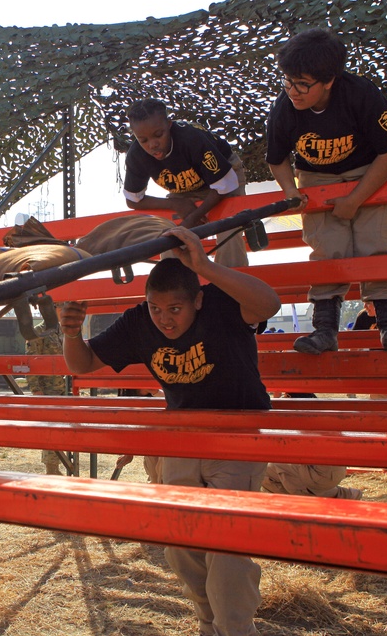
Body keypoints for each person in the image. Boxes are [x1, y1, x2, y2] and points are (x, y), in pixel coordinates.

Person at [60, 226, 280, 636]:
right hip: (181, 435)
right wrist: (72, 333)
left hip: (238, 434)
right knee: (180, 545)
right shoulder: (138, 322)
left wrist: (205, 266)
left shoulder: (221, 302)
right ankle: (208, 623)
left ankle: (236, 630)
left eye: (175, 309)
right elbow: (83, 364)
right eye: (156, 309)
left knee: (227, 547)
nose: (164, 320)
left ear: (197, 299)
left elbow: (268, 302)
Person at [266, 28, 387, 355]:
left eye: (303, 84)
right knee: (327, 246)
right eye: (288, 81)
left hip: (368, 170)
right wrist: (291, 190)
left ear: (329, 80)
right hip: (317, 177)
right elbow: (276, 160)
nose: (294, 91)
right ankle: (325, 331)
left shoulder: (361, 94)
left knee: (376, 238)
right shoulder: (285, 107)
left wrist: (355, 199)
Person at [122, 99, 249, 268]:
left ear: (169, 124)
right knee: (170, 237)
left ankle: (231, 285)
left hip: (224, 177)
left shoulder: (191, 138)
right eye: (143, 140)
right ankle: (175, 286)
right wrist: (176, 203)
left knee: (229, 227)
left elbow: (224, 185)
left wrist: (192, 218)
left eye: (158, 135)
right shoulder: (136, 155)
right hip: (183, 190)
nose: (152, 144)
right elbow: (133, 200)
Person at [25, 321, 67, 475]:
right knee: (51, 430)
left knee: (61, 429)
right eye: (62, 307)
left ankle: (59, 465)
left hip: (63, 388)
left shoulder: (62, 330)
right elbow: (31, 361)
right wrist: (36, 389)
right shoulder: (38, 332)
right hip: (48, 389)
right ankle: (51, 469)